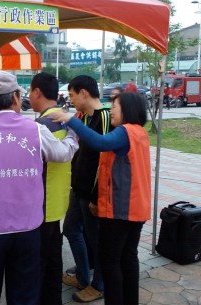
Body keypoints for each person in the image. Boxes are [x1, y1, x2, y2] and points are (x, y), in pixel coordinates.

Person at [0, 71, 78, 305]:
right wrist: (73, 134)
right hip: (27, 229)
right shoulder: (35, 130)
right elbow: (63, 153)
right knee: (24, 293)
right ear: (16, 97)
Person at [50, 92, 151, 305]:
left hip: (121, 212)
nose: (111, 110)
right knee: (128, 259)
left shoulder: (125, 132)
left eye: (115, 106)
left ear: (128, 110)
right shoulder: (140, 132)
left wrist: (70, 121)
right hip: (136, 209)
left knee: (110, 260)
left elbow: (99, 142)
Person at [61, 75, 111, 303]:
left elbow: (106, 160)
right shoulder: (86, 118)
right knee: (71, 230)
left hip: (93, 194)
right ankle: (82, 276)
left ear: (83, 92)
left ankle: (98, 284)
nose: (71, 99)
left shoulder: (105, 117)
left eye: (72, 95)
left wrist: (97, 196)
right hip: (78, 189)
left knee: (96, 240)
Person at [28, 72, 73, 305]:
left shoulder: (41, 126)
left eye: (30, 92)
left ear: (37, 92)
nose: (29, 96)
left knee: (39, 264)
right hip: (57, 204)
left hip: (42, 206)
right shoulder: (67, 121)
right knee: (54, 261)